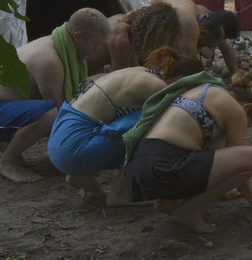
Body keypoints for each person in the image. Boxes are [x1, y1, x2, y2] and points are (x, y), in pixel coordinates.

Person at [0, 8, 111, 183]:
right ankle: (7, 163)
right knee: (50, 113)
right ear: (78, 36)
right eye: (95, 44)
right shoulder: (49, 60)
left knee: (72, 100)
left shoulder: (60, 45)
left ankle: (8, 145)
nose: (96, 49)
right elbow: (62, 113)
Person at [47, 46, 202, 201]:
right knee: (154, 124)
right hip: (73, 150)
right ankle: (119, 195)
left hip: (59, 141)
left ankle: (80, 176)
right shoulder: (157, 86)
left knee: (138, 119)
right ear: (183, 78)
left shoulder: (140, 71)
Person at [122, 71, 252, 234]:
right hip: (165, 166)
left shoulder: (204, 91)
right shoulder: (236, 110)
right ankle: (187, 210)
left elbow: (218, 156)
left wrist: (225, 189)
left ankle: (166, 202)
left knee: (194, 155)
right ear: (247, 107)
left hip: (140, 168)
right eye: (248, 125)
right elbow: (241, 161)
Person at [100, 0, 184, 71]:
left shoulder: (128, 30)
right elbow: (123, 80)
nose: (160, 48)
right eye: (160, 40)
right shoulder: (121, 39)